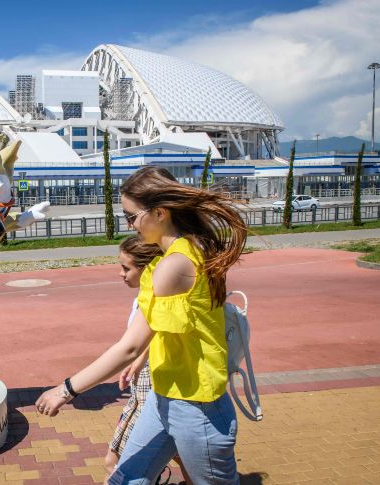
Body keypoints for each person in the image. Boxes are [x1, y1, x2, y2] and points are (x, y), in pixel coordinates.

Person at [35, 165, 248, 485]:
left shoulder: (174, 266)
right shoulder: (186, 252)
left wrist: (66, 389)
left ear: (160, 213)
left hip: (198, 411)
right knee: (125, 478)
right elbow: (166, 331)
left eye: (131, 216)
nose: (129, 224)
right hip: (164, 397)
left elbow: (130, 345)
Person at [106, 235, 192, 485]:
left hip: (150, 387)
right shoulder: (147, 297)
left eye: (126, 267)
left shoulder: (157, 297)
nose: (121, 274)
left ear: (147, 268)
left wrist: (68, 389)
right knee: (181, 457)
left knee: (115, 463)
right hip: (145, 388)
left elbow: (141, 342)